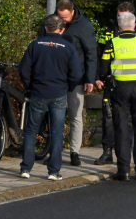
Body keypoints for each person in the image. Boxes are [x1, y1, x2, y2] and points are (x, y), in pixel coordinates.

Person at [19, 14, 82, 181]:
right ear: (62, 30)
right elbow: (76, 74)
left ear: (46, 28)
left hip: (38, 93)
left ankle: (26, 168)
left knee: (31, 131)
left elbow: (24, 70)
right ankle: (53, 171)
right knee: (56, 132)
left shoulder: (35, 45)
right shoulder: (68, 48)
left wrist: (29, 86)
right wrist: (67, 87)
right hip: (59, 93)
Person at [39, 0, 97, 166]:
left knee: (75, 115)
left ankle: (74, 152)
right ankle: (54, 151)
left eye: (65, 17)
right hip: (54, 77)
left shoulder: (84, 26)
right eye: (60, 17)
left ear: (72, 12)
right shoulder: (50, 22)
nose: (62, 21)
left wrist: (89, 79)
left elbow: (91, 53)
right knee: (55, 116)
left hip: (75, 79)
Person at [100, 12, 136, 181]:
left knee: (122, 129)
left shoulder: (112, 43)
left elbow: (103, 70)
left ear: (119, 26)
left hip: (120, 90)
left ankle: (123, 170)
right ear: (134, 25)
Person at [94, 1, 136, 166]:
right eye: (118, 16)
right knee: (108, 119)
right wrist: (97, 77)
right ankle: (107, 152)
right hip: (112, 82)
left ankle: (127, 163)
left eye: (123, 16)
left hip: (133, 84)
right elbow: (99, 54)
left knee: (131, 125)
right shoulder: (108, 32)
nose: (120, 19)